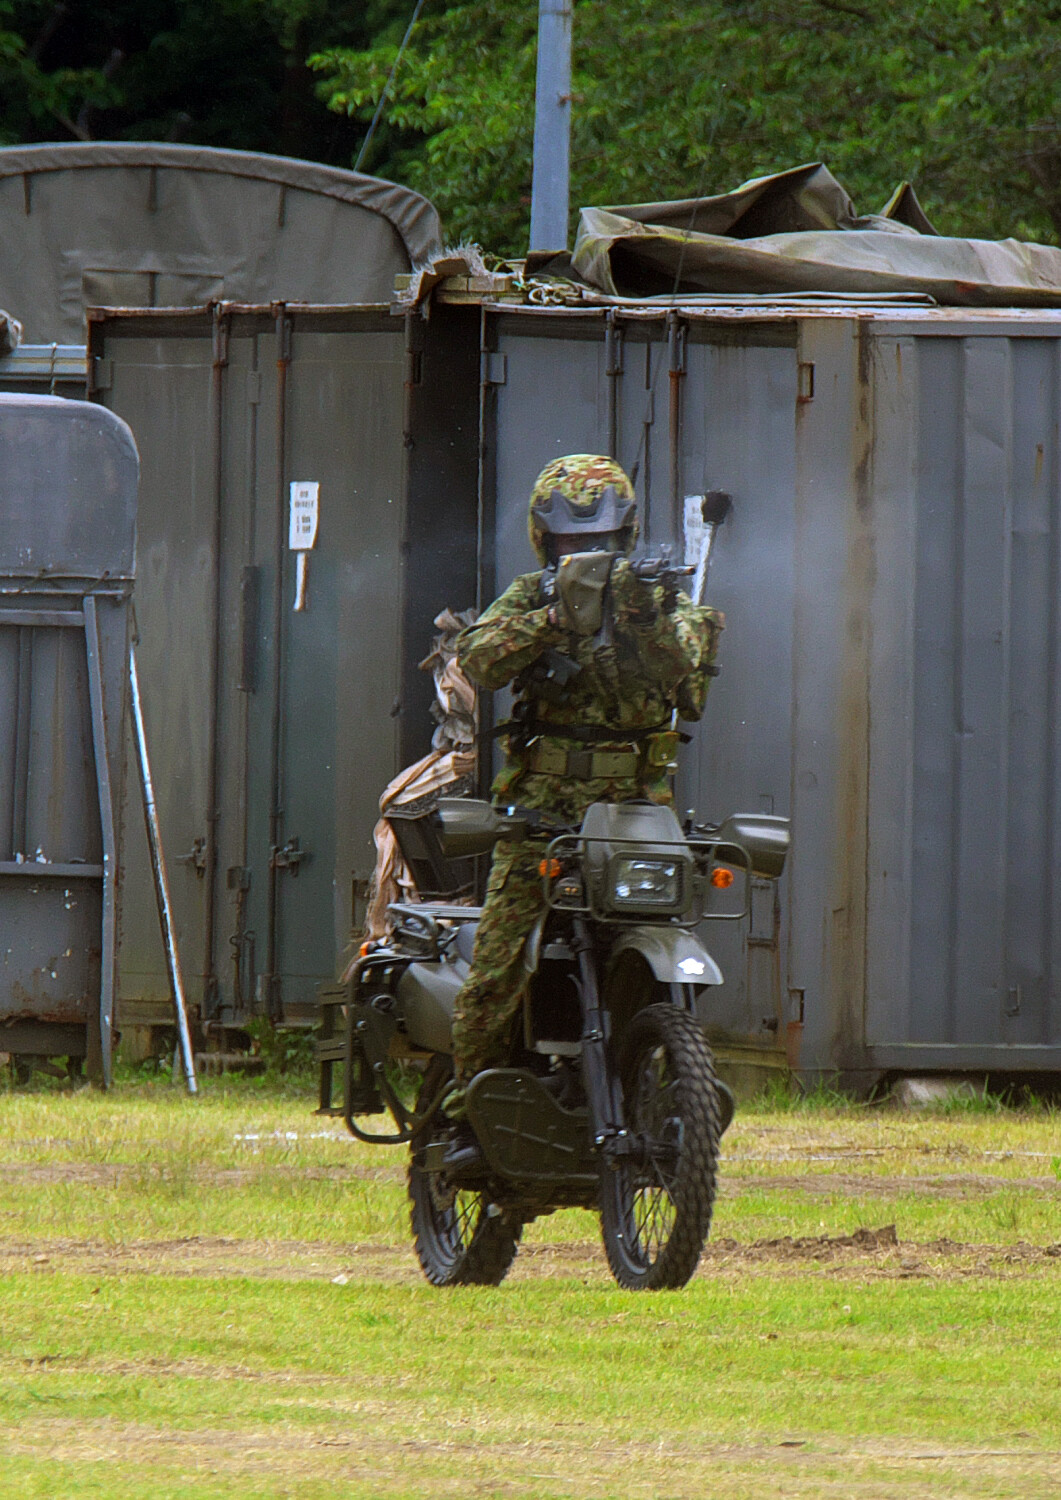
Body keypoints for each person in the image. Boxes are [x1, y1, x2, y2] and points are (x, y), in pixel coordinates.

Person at [447, 453, 724, 1120]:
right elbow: (478, 661)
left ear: (624, 538)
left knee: (665, 942)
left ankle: (667, 1078)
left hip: (635, 818)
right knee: (497, 965)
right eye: (574, 542)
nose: (587, 554)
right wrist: (553, 621)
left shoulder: (661, 601)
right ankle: (469, 1102)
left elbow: (688, 690)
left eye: (599, 542)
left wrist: (642, 618)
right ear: (547, 541)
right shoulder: (530, 595)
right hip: (542, 816)